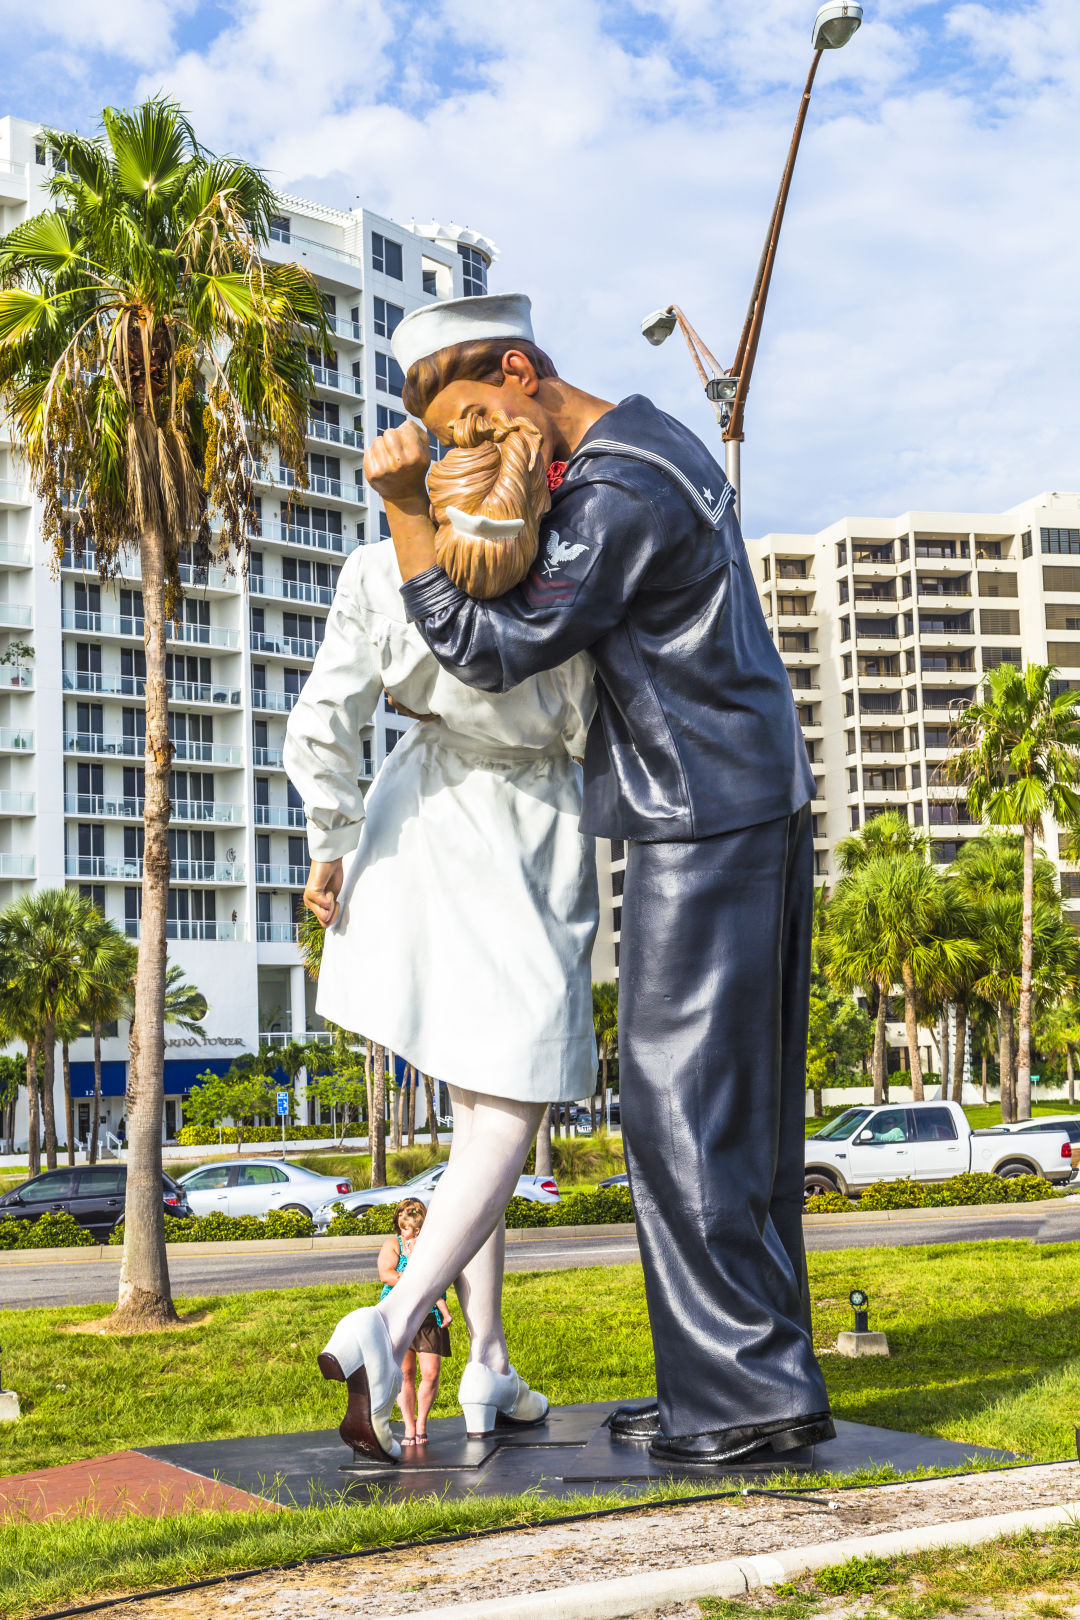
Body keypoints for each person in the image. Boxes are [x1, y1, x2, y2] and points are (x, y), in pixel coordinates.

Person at [363, 290, 834, 1469]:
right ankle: (744, 1376)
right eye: (449, 433)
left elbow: (490, 643)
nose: (470, 442)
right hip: (744, 788)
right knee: (744, 1120)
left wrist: (408, 510)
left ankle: (740, 1401)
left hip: (705, 809)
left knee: (681, 1116)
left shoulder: (617, 489)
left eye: (474, 413)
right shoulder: (647, 441)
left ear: (523, 369)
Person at [284, 406, 598, 1464]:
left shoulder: (381, 570)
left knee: (478, 1132)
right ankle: (394, 1320)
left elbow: (320, 723)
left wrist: (330, 840)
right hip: (524, 835)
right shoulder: (568, 577)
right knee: (509, 1115)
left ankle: (489, 1363)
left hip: (413, 824)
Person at [378, 1198, 452, 1444]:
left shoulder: (430, 1244)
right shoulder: (393, 1244)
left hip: (429, 1314)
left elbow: (440, 1275)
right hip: (399, 1313)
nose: (404, 1223)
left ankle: (422, 1423)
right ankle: (410, 1427)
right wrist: (415, 1281)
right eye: (401, 1217)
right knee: (405, 1373)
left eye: (411, 1216)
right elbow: (385, 1274)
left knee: (430, 1373)